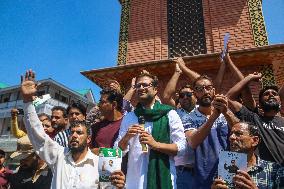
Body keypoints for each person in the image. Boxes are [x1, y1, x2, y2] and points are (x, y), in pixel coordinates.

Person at [20, 69, 125, 189]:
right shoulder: (58, 156)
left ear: (89, 139)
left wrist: (120, 186)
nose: (74, 135)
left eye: (79, 132)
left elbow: (110, 187)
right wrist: (28, 102)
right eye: (72, 132)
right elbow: (37, 133)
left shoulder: (100, 164)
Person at [115, 70, 186, 189]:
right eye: (138, 85)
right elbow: (117, 151)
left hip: (164, 180)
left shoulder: (169, 114)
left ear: (155, 90)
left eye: (145, 85)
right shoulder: (130, 117)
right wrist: (126, 137)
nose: (141, 87)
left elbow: (182, 147)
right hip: (134, 182)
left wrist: (155, 145)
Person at [184, 75, 239, 189]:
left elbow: (241, 132)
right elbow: (193, 142)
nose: (205, 91)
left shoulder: (226, 112)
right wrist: (214, 116)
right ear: (194, 93)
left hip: (231, 167)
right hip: (205, 174)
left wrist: (226, 111)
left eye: (208, 88)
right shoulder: (189, 118)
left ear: (213, 90)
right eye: (200, 89)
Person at [228, 73, 284, 165]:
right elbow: (228, 98)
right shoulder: (254, 119)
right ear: (260, 104)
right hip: (265, 175)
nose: (271, 95)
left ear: (280, 102)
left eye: (274, 93)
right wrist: (250, 77)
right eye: (266, 94)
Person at [211, 122, 284, 189]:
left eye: (238, 133)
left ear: (255, 141)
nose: (231, 137)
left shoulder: (275, 170)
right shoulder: (224, 168)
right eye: (231, 134)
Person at [91, 89, 124, 155]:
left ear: (114, 104)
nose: (98, 105)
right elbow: (90, 151)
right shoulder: (96, 127)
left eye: (102, 102)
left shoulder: (127, 125)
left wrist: (102, 152)